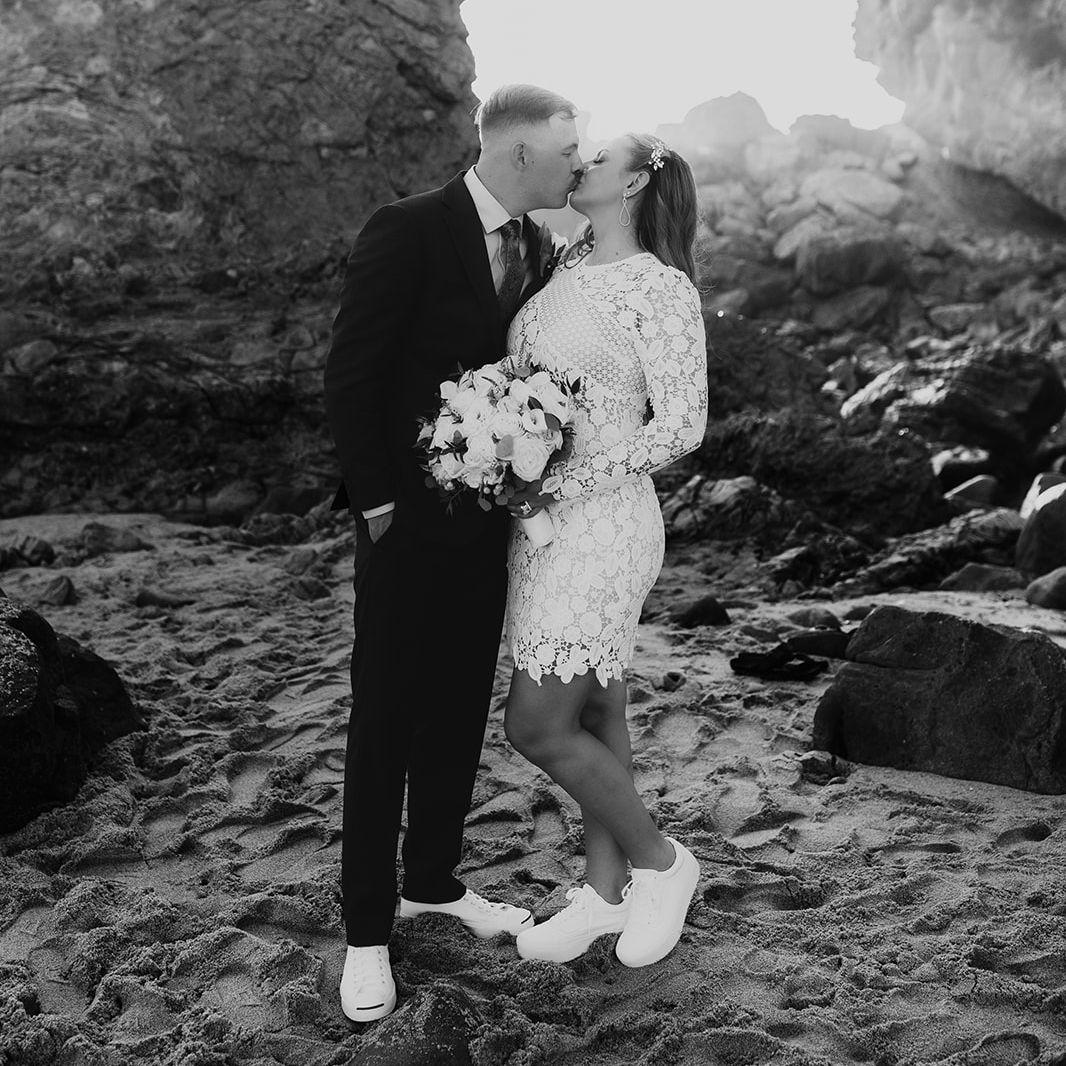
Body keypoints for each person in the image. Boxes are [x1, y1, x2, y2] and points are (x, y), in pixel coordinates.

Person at [323, 84, 584, 1022]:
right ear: (518, 154)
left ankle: (431, 880)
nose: (577, 164)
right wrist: (378, 503)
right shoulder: (408, 228)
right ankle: (366, 933)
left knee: (459, 709)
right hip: (402, 527)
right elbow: (352, 370)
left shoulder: (540, 246)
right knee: (385, 721)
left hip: (488, 527)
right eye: (567, 151)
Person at [501, 133, 708, 967]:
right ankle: (604, 893)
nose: (581, 159)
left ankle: (663, 863)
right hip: (539, 524)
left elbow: (682, 425)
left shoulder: (659, 286)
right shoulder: (563, 264)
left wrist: (567, 481)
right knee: (595, 711)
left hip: (606, 525)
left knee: (535, 724)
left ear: (635, 183)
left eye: (600, 154)